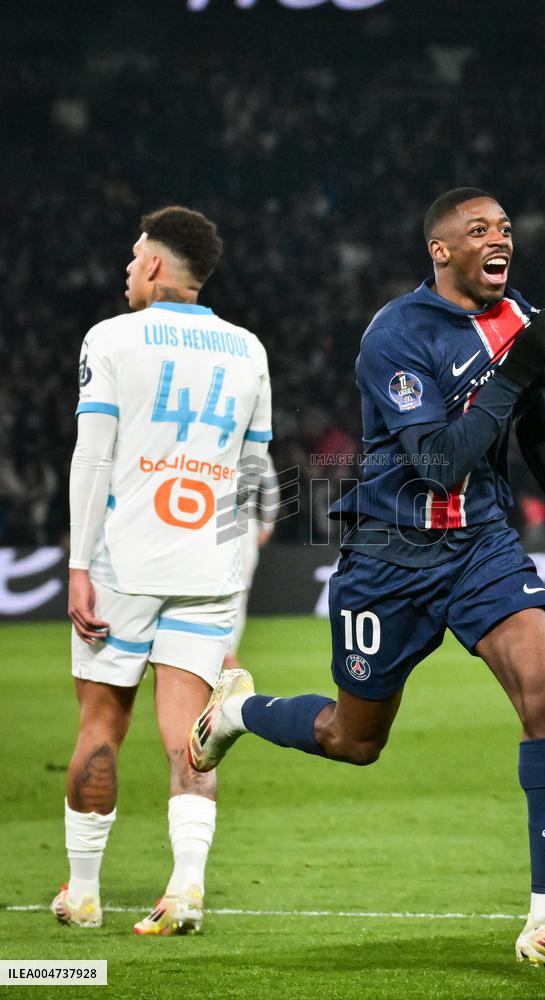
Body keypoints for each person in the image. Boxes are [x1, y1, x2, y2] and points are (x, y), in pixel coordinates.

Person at [188, 188, 545, 977]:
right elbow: (440, 461)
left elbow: (541, 433)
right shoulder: (394, 335)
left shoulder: (517, 321)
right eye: (479, 229)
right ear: (441, 250)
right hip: (387, 558)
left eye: (506, 228)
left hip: (480, 545)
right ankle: (241, 711)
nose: (501, 239)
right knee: (355, 741)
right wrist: (512, 373)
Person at [51, 206, 272, 935]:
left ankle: (83, 894)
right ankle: (186, 889)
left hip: (125, 561)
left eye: (132, 254)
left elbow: (93, 456)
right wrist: (232, 566)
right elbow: (254, 475)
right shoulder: (248, 349)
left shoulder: (112, 338)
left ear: (153, 265)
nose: (126, 267)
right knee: (189, 736)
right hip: (207, 566)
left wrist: (79, 563)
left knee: (101, 725)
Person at [223, 451, 278, 669]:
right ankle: (228, 652)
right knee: (239, 593)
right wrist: (267, 523)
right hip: (243, 524)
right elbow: (271, 487)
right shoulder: (258, 448)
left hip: (207, 522)